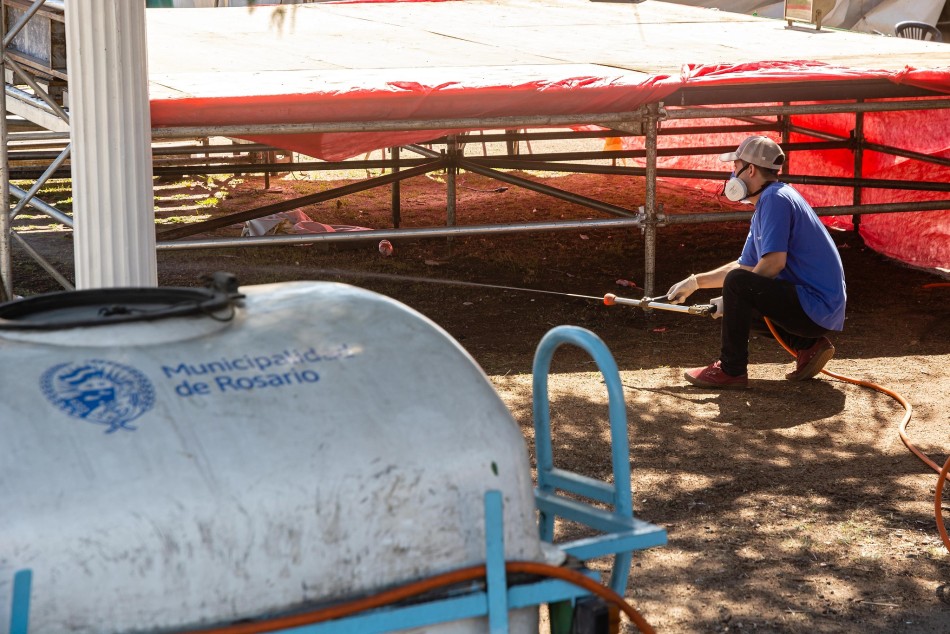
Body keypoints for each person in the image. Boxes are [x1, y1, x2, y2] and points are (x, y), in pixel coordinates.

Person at [666, 135, 846, 389]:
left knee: (738, 287)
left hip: (816, 307)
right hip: (817, 308)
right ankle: (808, 345)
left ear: (749, 169)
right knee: (740, 287)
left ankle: (731, 370)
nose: (731, 175)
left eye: (734, 167)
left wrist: (732, 298)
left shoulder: (775, 199)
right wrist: (695, 282)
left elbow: (773, 264)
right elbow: (747, 266)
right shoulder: (769, 202)